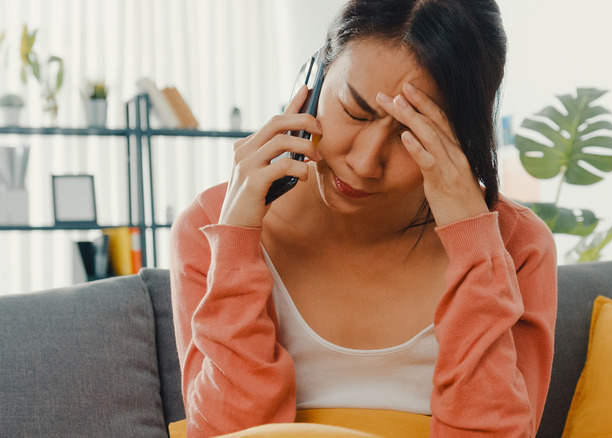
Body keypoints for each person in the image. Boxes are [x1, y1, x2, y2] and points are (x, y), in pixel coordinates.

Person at [170, 0, 557, 436]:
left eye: (412, 134)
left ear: (464, 136)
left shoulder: (515, 244)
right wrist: (237, 240)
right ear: (313, 80)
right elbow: (226, 431)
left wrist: (474, 246)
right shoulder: (210, 225)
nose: (366, 162)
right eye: (355, 111)